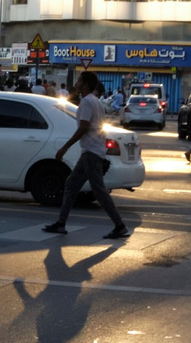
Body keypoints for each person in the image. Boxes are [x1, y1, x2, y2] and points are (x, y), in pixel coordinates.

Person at [44, 72, 129, 241]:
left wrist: (65, 147)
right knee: (71, 184)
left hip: (91, 152)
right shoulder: (94, 101)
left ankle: (119, 226)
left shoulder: (87, 102)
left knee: (98, 190)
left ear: (86, 85)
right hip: (91, 152)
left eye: (80, 81)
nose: (77, 83)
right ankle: (61, 223)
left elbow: (83, 127)